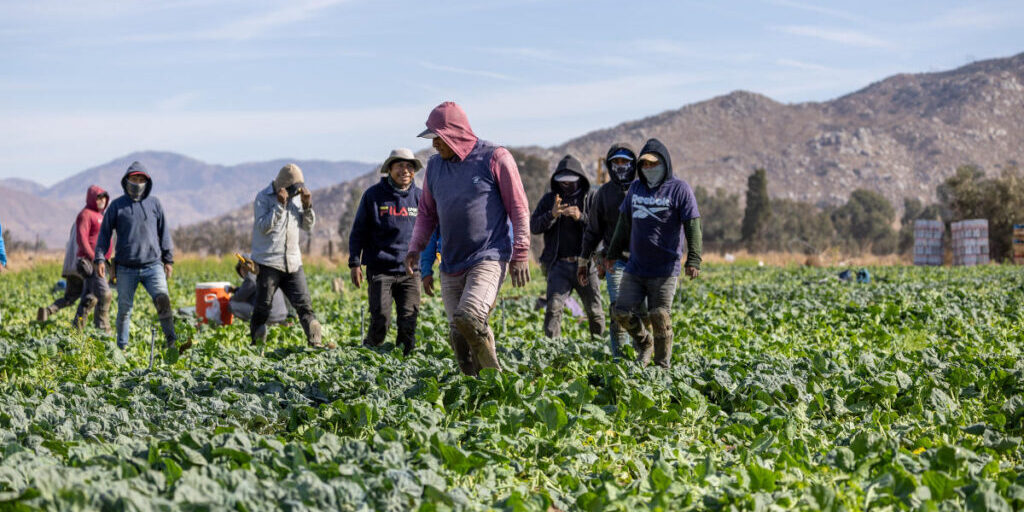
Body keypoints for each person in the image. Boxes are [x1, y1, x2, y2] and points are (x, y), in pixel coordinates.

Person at [405, 101, 531, 376]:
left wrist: (521, 251)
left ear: (454, 134)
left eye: (438, 138)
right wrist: (416, 247)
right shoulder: (435, 168)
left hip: (488, 255)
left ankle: (497, 381)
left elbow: (518, 207)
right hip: (451, 263)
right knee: (458, 336)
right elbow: (427, 213)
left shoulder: (495, 158)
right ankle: (474, 387)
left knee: (470, 317)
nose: (434, 145)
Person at [605, 139, 702, 369]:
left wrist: (694, 258)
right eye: (644, 165)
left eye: (653, 164)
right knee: (620, 311)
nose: (649, 169)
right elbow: (623, 223)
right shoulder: (636, 189)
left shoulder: (680, 189)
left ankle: (661, 367)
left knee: (659, 315)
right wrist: (612, 253)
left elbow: (692, 225)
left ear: (665, 163)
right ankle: (644, 342)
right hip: (636, 267)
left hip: (665, 268)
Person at [95, 162, 186, 353]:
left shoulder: (155, 204)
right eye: (134, 179)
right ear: (126, 181)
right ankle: (122, 348)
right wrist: (100, 258)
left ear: (147, 182)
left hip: (153, 266)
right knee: (124, 309)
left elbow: (164, 233)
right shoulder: (117, 206)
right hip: (126, 268)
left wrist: (168, 260)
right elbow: (104, 234)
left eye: (141, 180)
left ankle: (171, 342)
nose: (137, 183)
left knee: (163, 301)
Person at [348, 148, 426, 356]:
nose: (405, 170)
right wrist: (355, 262)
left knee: (408, 323)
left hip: (411, 271)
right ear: (389, 169)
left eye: (409, 166)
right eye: (400, 165)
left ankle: (404, 364)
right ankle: (368, 356)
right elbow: (359, 231)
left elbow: (432, 230)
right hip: (381, 270)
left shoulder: (420, 197)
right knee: (381, 319)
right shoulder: (374, 196)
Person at [250, 163, 329, 349]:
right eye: (292, 190)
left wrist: (308, 206)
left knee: (304, 306)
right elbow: (263, 227)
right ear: (282, 187)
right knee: (263, 307)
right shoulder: (263, 198)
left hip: (293, 263)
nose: (295, 193)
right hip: (269, 262)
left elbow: (307, 226)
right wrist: (279, 205)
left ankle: (315, 342)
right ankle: (257, 344)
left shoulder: (297, 199)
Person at [530, 155, 604, 338]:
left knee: (594, 311)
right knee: (553, 309)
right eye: (562, 182)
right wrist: (552, 215)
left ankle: (599, 347)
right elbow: (534, 227)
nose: (566, 185)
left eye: (570, 182)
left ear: (580, 179)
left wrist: (581, 217)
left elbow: (601, 229)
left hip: (586, 265)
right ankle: (552, 352)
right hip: (559, 265)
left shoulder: (590, 198)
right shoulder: (549, 200)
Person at [578, 143, 639, 356]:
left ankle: (642, 356)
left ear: (634, 164)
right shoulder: (603, 194)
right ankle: (620, 360)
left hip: (645, 262)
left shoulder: (644, 189)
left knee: (643, 313)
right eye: (616, 162)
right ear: (610, 166)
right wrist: (584, 260)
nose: (621, 166)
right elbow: (593, 230)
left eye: (625, 162)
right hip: (616, 261)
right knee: (618, 311)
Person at [72, 186, 113, 331]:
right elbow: (82, 239)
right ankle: (103, 330)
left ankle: (77, 329)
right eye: (98, 197)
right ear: (91, 198)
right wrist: (95, 259)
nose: (102, 200)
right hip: (90, 262)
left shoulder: (102, 216)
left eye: (104, 197)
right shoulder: (85, 214)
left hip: (100, 262)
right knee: (105, 294)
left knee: (89, 298)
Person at [37, 223, 85, 323]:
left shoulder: (77, 222)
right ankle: (79, 326)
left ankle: (48, 310)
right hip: (85, 265)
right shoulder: (94, 217)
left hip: (71, 264)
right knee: (91, 297)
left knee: (69, 298)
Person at [228, 255, 291, 324]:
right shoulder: (266, 271)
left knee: (232, 305)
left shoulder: (251, 275)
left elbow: (239, 297)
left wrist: (230, 298)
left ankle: (256, 325)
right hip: (281, 315)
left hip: (269, 317)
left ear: (243, 268)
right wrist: (236, 289)